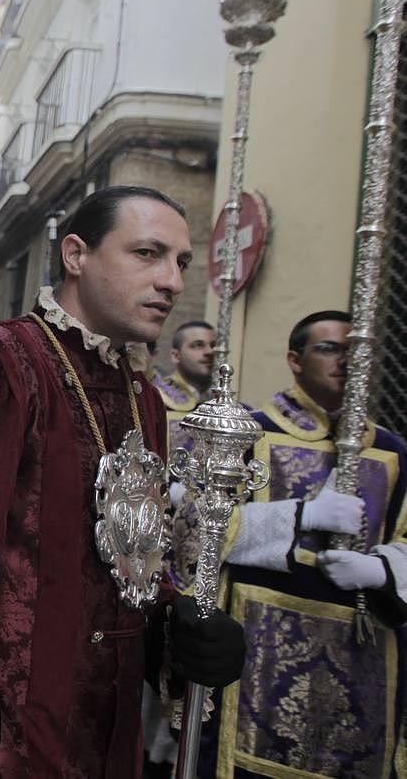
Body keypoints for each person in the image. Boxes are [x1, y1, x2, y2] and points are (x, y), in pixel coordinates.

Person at [0, 186, 247, 778]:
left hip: (103, 736)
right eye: (147, 254)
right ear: (76, 255)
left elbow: (124, 565)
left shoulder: (144, 402)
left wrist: (176, 628)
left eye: (181, 262)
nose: (172, 282)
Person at [197, 310, 407, 777]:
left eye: (357, 351)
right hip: (260, 644)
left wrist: (384, 570)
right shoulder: (248, 433)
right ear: (295, 360)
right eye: (330, 348)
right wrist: (302, 516)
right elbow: (198, 530)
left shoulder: (393, 451)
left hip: (361, 649)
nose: (346, 361)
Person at [152, 320, 215, 449]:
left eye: (213, 345)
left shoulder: (218, 403)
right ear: (176, 356)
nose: (209, 352)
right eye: (198, 345)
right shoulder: (156, 398)